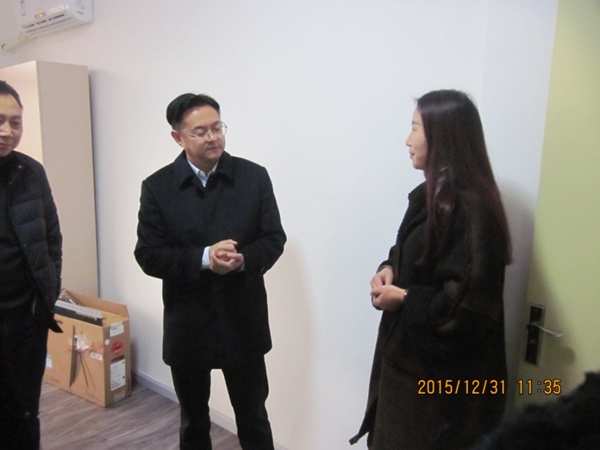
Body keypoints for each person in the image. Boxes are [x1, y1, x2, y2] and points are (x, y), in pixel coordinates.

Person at [350, 89, 511, 450]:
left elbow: (466, 308)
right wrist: (389, 269)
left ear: (443, 135)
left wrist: (404, 299)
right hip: (409, 373)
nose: (407, 140)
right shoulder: (431, 195)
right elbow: (409, 253)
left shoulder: (471, 209)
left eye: (415, 128)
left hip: (437, 392)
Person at [135, 93, 286, 450]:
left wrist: (243, 259)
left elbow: (273, 238)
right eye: (200, 131)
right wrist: (204, 258)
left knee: (253, 417)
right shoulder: (158, 187)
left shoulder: (253, 177)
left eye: (217, 128)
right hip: (188, 321)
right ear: (178, 138)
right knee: (193, 422)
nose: (212, 137)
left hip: (242, 319)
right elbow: (149, 255)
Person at [0, 80, 62, 449]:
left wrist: (48, 292)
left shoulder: (31, 172)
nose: (7, 131)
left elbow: (52, 237)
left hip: (26, 319)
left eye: (15, 122)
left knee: (24, 411)